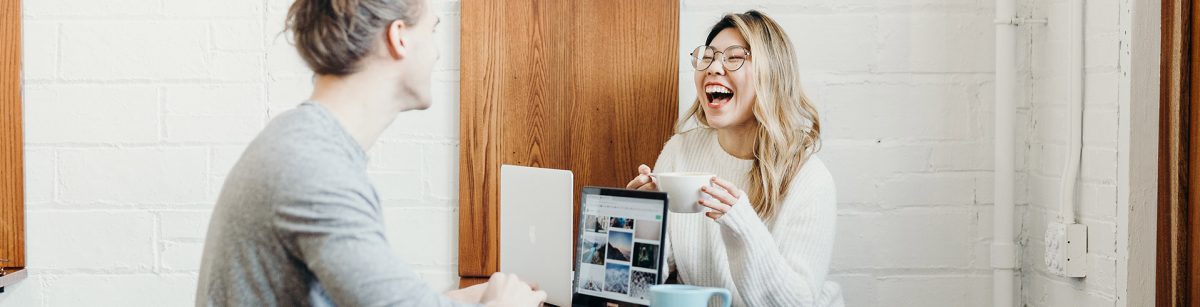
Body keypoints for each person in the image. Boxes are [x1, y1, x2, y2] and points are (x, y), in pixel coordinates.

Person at [195, 0, 545, 306]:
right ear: (399, 38)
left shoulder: (305, 144)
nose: (437, 53)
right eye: (432, 30)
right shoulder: (313, 168)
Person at [625, 10, 844, 306]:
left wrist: (742, 225)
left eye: (734, 57)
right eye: (709, 56)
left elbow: (797, 303)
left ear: (772, 75)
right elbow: (648, 282)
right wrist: (641, 222)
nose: (714, 68)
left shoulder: (808, 178)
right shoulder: (680, 151)